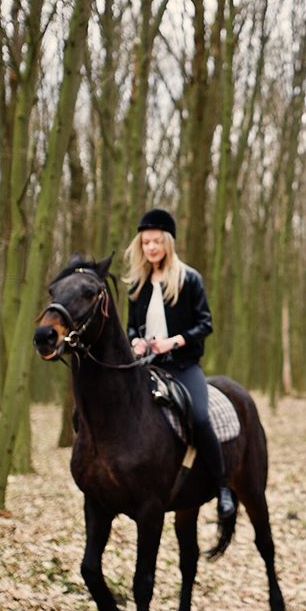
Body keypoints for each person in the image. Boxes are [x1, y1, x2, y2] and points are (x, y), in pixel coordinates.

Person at [123, 208, 235, 521]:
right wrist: (136, 341)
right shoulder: (137, 284)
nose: (151, 247)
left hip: (183, 366)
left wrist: (174, 342)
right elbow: (131, 326)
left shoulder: (189, 279)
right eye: (146, 242)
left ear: (168, 242)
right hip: (146, 367)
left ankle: (222, 486)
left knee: (199, 417)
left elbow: (205, 323)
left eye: (156, 241)